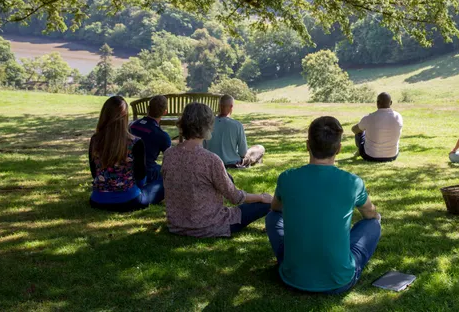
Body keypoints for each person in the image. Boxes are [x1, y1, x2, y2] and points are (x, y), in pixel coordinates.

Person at [266, 116, 382, 294]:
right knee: (373, 223)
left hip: (292, 277)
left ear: (307, 145)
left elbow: (275, 208)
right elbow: (370, 214)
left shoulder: (287, 177)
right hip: (339, 281)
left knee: (272, 217)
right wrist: (376, 218)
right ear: (339, 149)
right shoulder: (353, 182)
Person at [162, 102, 272, 237]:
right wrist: (261, 197)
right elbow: (235, 197)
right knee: (267, 203)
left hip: (176, 225)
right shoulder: (210, 160)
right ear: (207, 125)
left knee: (228, 178)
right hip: (209, 225)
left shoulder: (169, 154)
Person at [89, 96, 164, 212]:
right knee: (165, 181)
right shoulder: (135, 142)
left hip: (98, 200)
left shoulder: (95, 140)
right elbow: (140, 178)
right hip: (129, 200)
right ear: (125, 117)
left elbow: (94, 173)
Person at [202, 95, 265, 168]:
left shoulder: (207, 124)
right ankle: (256, 161)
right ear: (231, 107)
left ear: (219, 106)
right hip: (232, 163)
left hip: (211, 162)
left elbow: (203, 147)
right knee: (260, 148)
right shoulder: (237, 125)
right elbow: (243, 153)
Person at [129, 95, 172, 183]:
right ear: (165, 112)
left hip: (128, 168)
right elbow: (170, 160)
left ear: (148, 109)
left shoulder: (132, 125)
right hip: (147, 172)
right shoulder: (162, 136)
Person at [351, 92, 403, 162]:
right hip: (392, 156)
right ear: (391, 103)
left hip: (370, 156)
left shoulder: (369, 117)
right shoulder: (398, 117)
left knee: (360, 131)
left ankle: (359, 151)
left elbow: (354, 130)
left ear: (377, 103)